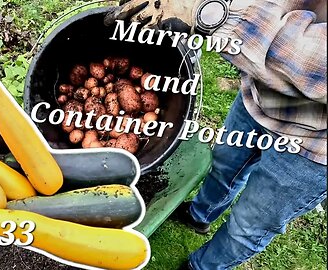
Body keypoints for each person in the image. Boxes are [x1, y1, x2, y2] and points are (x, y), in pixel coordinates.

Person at [105, 0, 327, 269]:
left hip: (316, 145)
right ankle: (200, 214)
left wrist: (213, 13)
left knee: (248, 226)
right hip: (259, 96)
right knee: (224, 164)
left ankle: (202, 266)